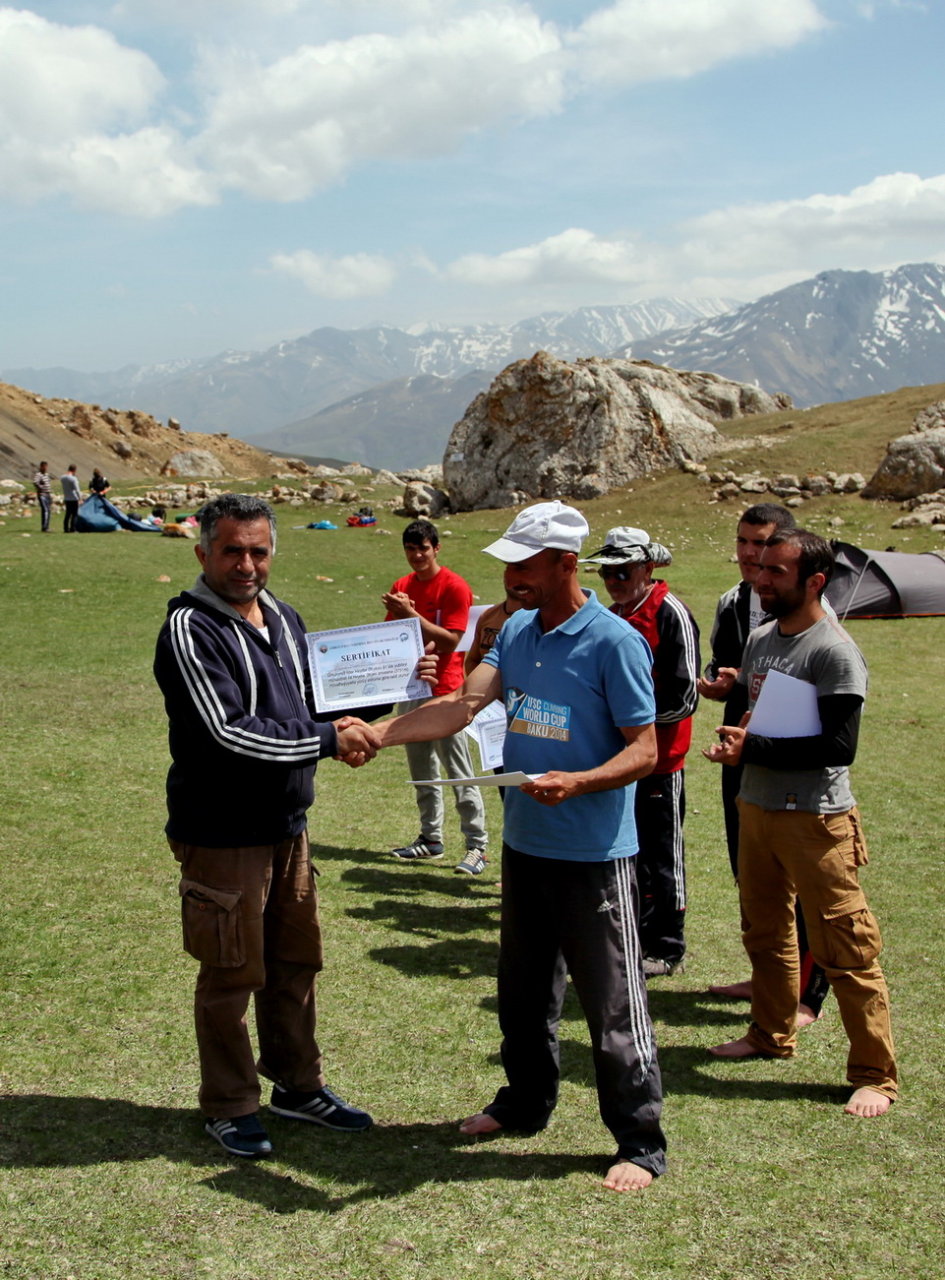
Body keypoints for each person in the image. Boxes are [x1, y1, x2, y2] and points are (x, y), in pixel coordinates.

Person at [375, 501, 667, 1192]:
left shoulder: (614, 642)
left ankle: (639, 1140)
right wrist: (377, 734)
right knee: (524, 993)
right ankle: (524, 1104)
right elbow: (460, 706)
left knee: (612, 1004)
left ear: (567, 564)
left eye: (525, 564)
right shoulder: (515, 633)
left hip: (594, 854)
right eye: (507, 563)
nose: (510, 576)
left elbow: (645, 751)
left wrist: (580, 780)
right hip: (525, 846)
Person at [154, 493, 386, 1158]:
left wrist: (391, 688)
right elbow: (230, 733)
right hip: (222, 832)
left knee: (294, 962)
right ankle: (229, 1104)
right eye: (232, 550)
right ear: (203, 553)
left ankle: (297, 1085)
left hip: (287, 824)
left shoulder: (283, 617)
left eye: (258, 550)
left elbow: (321, 704)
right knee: (230, 973)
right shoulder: (190, 629)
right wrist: (326, 741)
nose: (247, 564)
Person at [704, 529, 897, 1118]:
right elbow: (763, 719)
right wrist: (737, 731)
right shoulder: (762, 638)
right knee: (764, 933)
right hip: (757, 808)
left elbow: (837, 746)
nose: (760, 581)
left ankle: (874, 1074)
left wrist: (751, 747)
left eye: (775, 573)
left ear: (814, 581)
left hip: (815, 819)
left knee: (845, 946)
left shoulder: (834, 650)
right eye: (758, 569)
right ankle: (770, 1034)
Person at [697, 503, 830, 1025]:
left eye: (764, 546)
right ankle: (768, 974)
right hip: (743, 755)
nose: (752, 556)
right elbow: (722, 663)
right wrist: (720, 684)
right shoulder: (733, 603)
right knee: (750, 871)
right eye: (744, 542)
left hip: (795, 762)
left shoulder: (812, 609)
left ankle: (808, 994)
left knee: (801, 879)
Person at [583, 527, 700, 978]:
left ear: (648, 568)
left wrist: (632, 725)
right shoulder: (613, 615)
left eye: (623, 569)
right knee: (624, 851)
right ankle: (629, 936)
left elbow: (686, 695)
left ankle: (667, 946)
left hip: (660, 761)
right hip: (618, 761)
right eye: (607, 570)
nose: (614, 578)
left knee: (662, 856)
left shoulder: (670, 612)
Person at [383, 518, 489, 876]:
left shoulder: (454, 587)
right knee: (422, 770)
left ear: (436, 548)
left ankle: (477, 846)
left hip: (446, 692)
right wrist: (399, 618)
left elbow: (454, 641)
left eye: (423, 549)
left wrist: (411, 614)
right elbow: (391, 636)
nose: (416, 556)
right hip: (411, 688)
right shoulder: (402, 585)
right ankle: (430, 839)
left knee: (458, 772)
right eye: (410, 549)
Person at [60, 465, 81, 532]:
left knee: (68, 514)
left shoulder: (62, 477)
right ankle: (73, 528)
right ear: (74, 470)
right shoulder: (73, 478)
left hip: (67, 498)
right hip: (73, 498)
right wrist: (79, 498)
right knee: (74, 514)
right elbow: (77, 489)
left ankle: (66, 528)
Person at [33, 460, 52, 532]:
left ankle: (46, 525)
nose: (45, 468)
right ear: (41, 467)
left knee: (48, 510)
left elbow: (48, 483)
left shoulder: (46, 475)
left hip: (47, 494)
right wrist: (40, 488)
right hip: (42, 494)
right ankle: (45, 527)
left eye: (46, 466)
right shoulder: (38, 475)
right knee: (45, 510)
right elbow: (35, 482)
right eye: (44, 466)